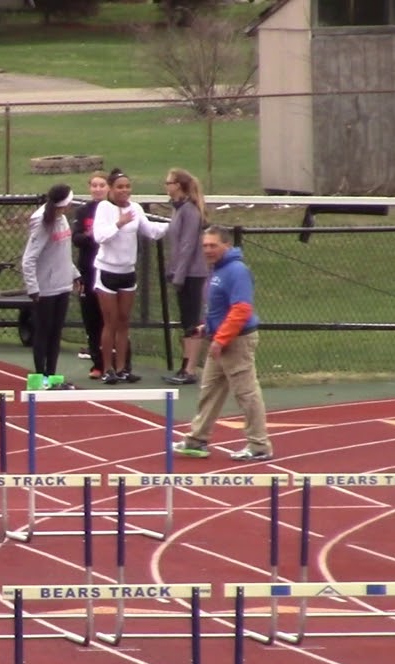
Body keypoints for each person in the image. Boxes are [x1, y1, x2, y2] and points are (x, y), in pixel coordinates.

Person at [173, 227, 273, 462]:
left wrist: (220, 339)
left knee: (246, 393)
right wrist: (206, 328)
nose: (208, 250)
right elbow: (220, 308)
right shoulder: (217, 270)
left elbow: (241, 309)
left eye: (213, 245)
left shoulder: (236, 271)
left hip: (235, 342)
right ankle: (197, 439)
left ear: (226, 246)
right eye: (205, 245)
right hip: (219, 340)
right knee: (210, 391)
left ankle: (259, 445)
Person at [91, 168, 167, 385]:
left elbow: (150, 230)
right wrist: (119, 223)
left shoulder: (135, 208)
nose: (124, 190)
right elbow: (100, 237)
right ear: (111, 189)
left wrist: (175, 225)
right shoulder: (104, 208)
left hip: (127, 272)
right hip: (107, 272)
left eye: (127, 186)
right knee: (110, 322)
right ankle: (107, 368)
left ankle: (123, 368)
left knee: (124, 322)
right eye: (120, 187)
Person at [22, 184, 80, 388]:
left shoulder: (62, 219)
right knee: (43, 331)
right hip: (46, 287)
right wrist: (33, 288)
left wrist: (74, 275)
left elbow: (62, 253)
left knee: (56, 332)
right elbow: (29, 259)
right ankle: (40, 376)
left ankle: (52, 375)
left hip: (63, 284)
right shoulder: (41, 223)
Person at [72, 171, 121, 380]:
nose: (98, 189)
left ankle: (120, 363)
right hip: (88, 269)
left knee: (111, 318)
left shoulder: (115, 210)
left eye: (102, 185)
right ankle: (97, 363)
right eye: (94, 185)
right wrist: (90, 236)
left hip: (110, 268)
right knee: (91, 317)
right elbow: (77, 238)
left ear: (108, 188)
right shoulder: (83, 211)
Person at [162, 168, 208, 385]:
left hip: (192, 274)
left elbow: (188, 245)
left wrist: (179, 275)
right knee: (185, 321)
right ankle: (185, 365)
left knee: (192, 322)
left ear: (178, 185)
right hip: (182, 272)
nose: (166, 186)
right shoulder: (178, 209)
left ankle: (190, 369)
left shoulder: (190, 211)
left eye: (169, 182)